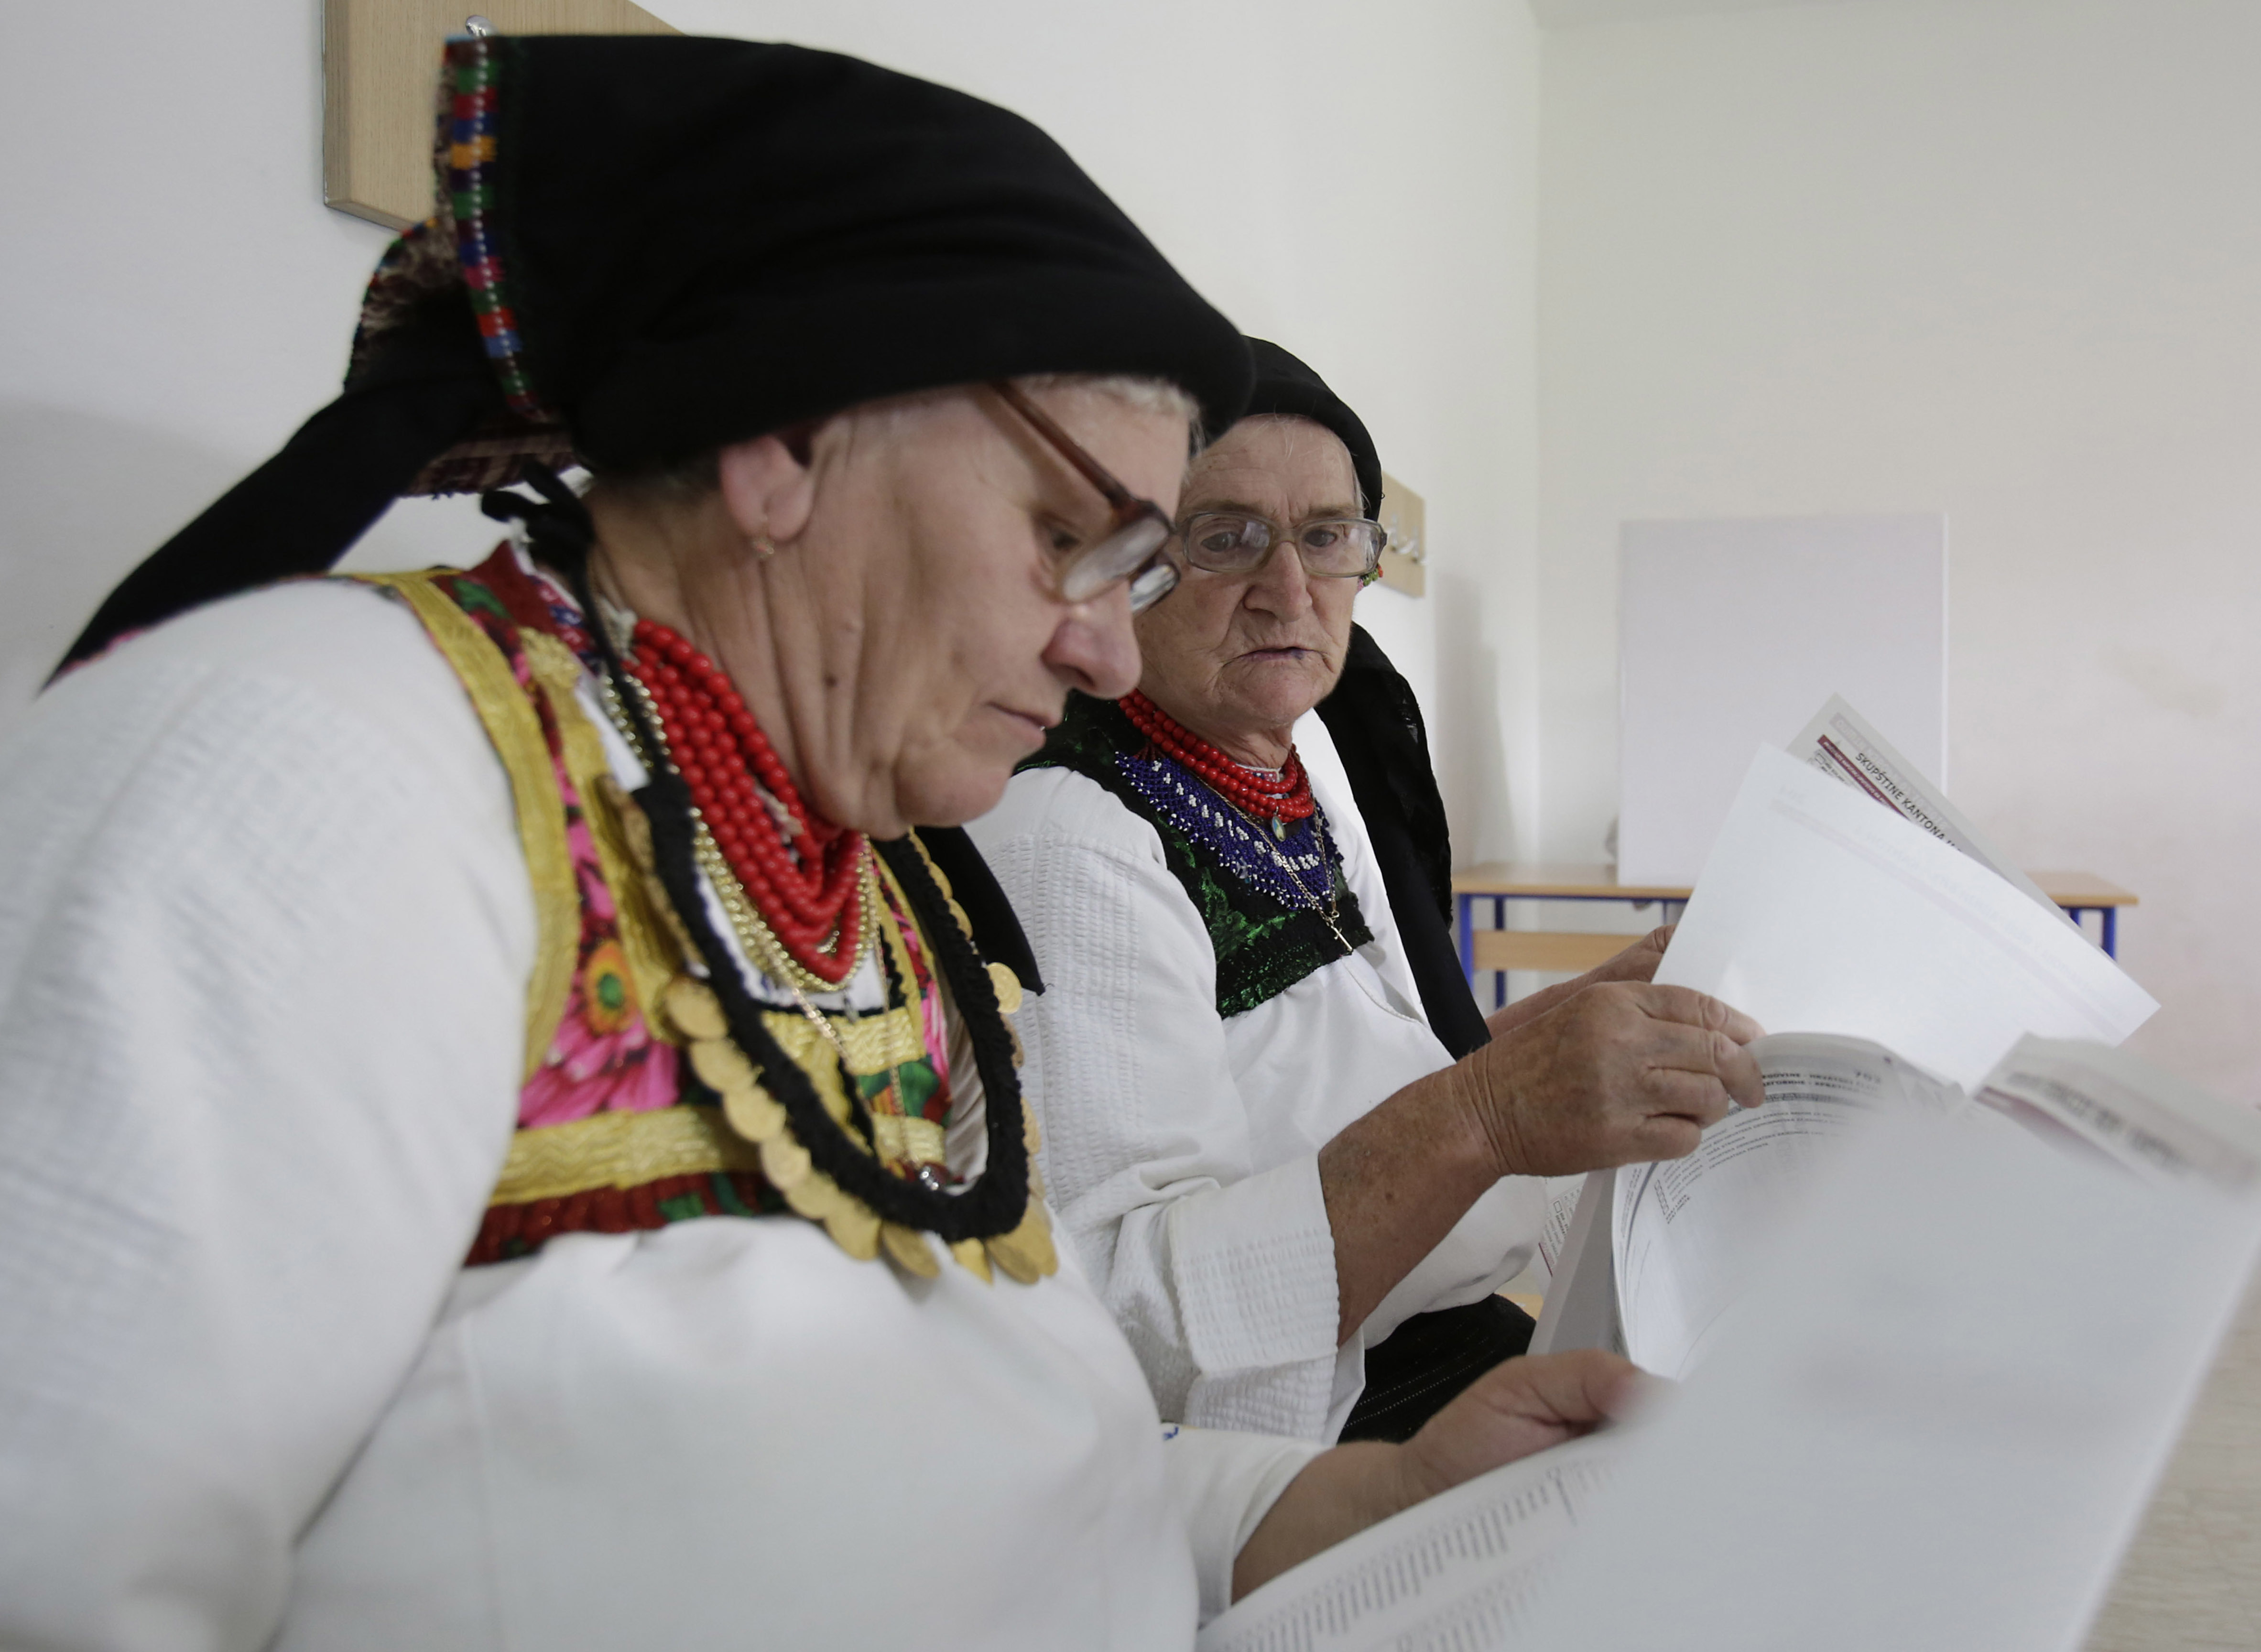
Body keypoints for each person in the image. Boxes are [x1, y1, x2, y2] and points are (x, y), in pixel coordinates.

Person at [0, 37, 1638, 1651]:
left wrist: (1354, 1501)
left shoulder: (860, 870)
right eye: (1071, 540)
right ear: (781, 441)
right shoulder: (318, 770)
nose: (1111, 656)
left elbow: (1030, 1418)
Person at [970, 339, 1765, 1445]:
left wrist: (1577, 1024)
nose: (1287, 592)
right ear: (1133, 561)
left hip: (1456, 1330)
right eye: (1226, 536)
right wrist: (1494, 1112)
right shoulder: (1070, 832)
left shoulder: (1311, 756)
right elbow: (1130, 1322)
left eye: (1328, 537)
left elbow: (1354, 1064)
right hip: (1307, 1430)